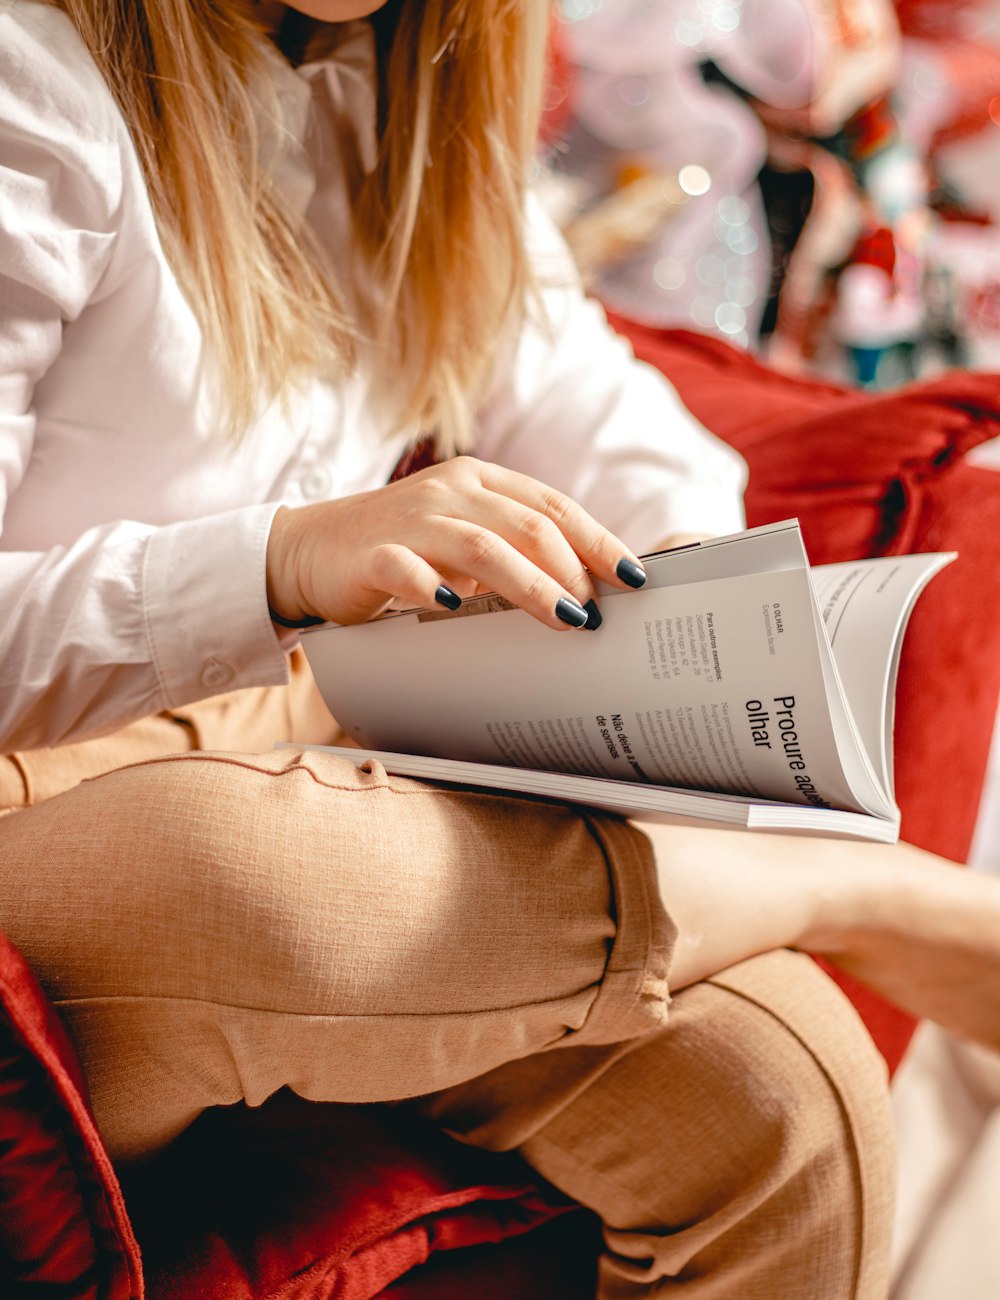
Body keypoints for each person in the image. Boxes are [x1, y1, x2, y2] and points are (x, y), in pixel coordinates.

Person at [0, 0, 998, 1295]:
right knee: (269, 874)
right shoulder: (35, 80)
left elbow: (602, 413)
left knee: (782, 1080)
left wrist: (674, 627)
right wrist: (278, 561)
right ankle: (857, 891)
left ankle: (806, 888)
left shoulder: (400, 91)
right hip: (46, 792)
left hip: (299, 734)